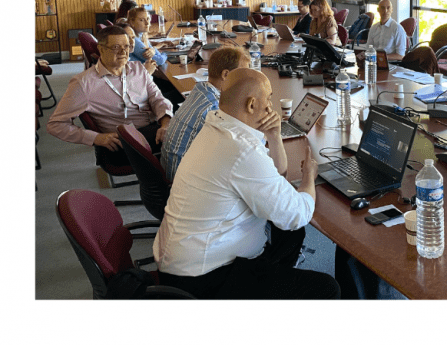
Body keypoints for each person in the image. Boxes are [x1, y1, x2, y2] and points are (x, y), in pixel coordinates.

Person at [153, 68, 340, 299]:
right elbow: (297, 214)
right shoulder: (241, 150)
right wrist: (309, 177)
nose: (270, 106)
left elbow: (276, 175)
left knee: (289, 235)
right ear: (251, 105)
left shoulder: (218, 127)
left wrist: (274, 136)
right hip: (202, 279)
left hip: (185, 259)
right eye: (268, 99)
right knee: (327, 288)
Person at [47, 25, 173, 165]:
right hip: (123, 142)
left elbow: (157, 99)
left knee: (186, 123)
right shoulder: (83, 83)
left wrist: (166, 124)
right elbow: (55, 125)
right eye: (116, 47)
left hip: (154, 128)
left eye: (127, 46)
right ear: (101, 49)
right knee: (185, 138)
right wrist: (96, 138)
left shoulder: (138, 69)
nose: (123, 52)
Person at [160, 46, 251, 181]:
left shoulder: (201, 90)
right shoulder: (214, 109)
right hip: (183, 181)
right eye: (244, 74)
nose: (248, 79)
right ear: (226, 75)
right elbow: (241, 148)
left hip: (174, 169)